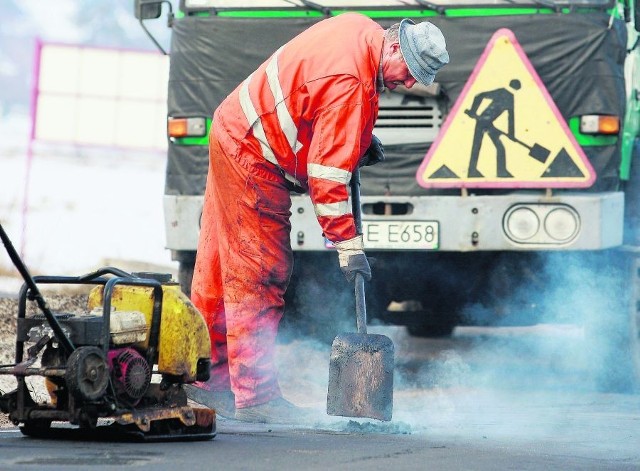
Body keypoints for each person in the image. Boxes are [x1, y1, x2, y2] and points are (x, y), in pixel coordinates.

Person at [185, 13, 449, 424]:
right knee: (259, 273)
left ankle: (204, 381)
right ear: (395, 48)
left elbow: (314, 97)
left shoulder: (361, 28)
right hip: (254, 153)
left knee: (220, 269)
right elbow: (326, 180)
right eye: (411, 73)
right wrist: (348, 246)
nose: (410, 84)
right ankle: (256, 398)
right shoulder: (352, 86)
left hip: (234, 126)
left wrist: (357, 136)